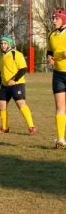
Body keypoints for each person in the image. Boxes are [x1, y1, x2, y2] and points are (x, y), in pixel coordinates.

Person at [0, 34, 36, 134]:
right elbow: (1, 73)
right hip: (4, 86)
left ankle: (31, 126)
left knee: (20, 104)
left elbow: (23, 69)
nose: (2, 45)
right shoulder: (3, 56)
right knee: (1, 105)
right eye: (1, 43)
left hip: (17, 84)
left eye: (5, 43)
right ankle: (4, 128)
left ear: (10, 44)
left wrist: (14, 79)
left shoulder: (16, 54)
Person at [47, 8, 66, 148]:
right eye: (53, 18)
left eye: (56, 18)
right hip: (58, 75)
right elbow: (50, 51)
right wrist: (50, 58)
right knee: (59, 106)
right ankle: (60, 139)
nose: (53, 21)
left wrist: (58, 55)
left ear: (63, 19)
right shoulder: (51, 35)